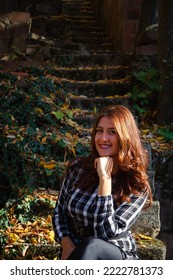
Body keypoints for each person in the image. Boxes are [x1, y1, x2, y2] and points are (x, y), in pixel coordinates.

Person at [52, 105, 152, 260]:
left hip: (114, 256)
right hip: (77, 255)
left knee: (93, 245)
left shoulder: (136, 185)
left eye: (112, 132)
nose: (103, 138)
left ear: (125, 137)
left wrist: (105, 179)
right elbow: (60, 212)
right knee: (87, 248)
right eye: (99, 131)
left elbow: (103, 233)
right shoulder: (77, 168)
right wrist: (67, 245)